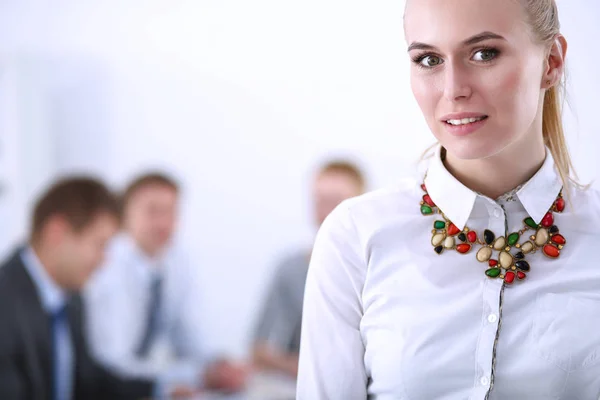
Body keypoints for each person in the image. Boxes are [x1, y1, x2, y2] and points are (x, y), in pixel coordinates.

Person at [297, 0, 600, 399]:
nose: (454, 89)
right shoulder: (355, 235)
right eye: (428, 59)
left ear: (552, 62)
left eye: (484, 53)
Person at [84, 172, 248, 395]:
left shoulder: (175, 259)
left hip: (146, 383)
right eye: (152, 211)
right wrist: (195, 375)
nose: (163, 223)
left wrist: (217, 364)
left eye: (170, 212)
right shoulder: (108, 266)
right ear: (124, 216)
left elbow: (189, 335)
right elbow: (116, 365)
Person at [0, 177, 155, 400]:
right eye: (100, 245)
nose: (104, 261)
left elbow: (87, 380)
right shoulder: (5, 302)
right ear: (57, 232)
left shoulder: (71, 298)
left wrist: (159, 390)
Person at [252, 160, 365, 378]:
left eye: (335, 202)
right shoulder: (289, 269)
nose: (325, 213)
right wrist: (312, 375)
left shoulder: (379, 270)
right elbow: (259, 349)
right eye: (319, 202)